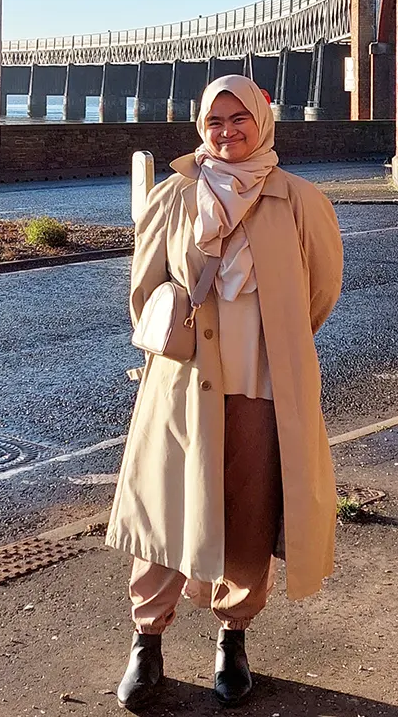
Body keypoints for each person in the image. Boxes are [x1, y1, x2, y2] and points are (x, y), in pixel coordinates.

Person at [105, 74, 345, 709]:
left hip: (264, 391)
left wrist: (278, 347)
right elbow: (144, 289)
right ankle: (146, 641)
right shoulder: (175, 197)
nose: (228, 132)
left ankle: (232, 637)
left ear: (262, 123)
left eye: (241, 119)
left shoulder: (299, 201)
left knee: (247, 517)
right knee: (165, 514)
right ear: (200, 128)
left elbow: (320, 293)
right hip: (183, 388)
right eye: (216, 122)